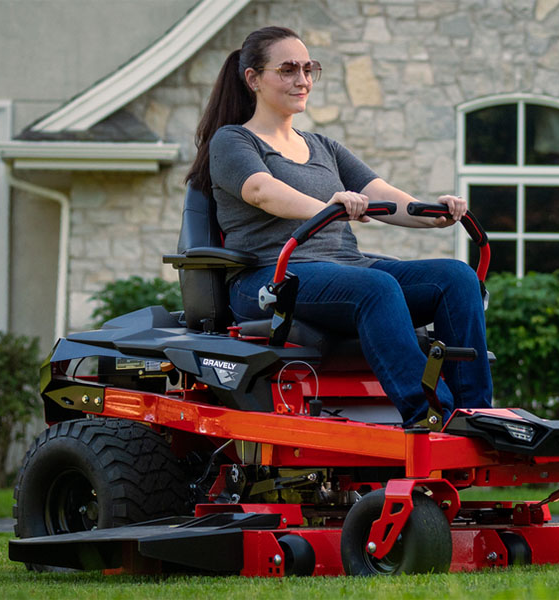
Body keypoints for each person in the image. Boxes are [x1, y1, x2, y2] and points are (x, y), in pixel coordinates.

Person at [186, 26, 492, 428]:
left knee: (456, 277)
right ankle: (432, 413)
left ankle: (475, 415)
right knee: (377, 288)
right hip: (269, 278)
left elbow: (383, 195)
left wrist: (434, 213)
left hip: (345, 268)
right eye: (288, 69)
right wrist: (328, 207)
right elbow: (263, 191)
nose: (302, 80)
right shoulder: (234, 141)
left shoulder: (323, 147)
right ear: (253, 79)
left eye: (309, 69)